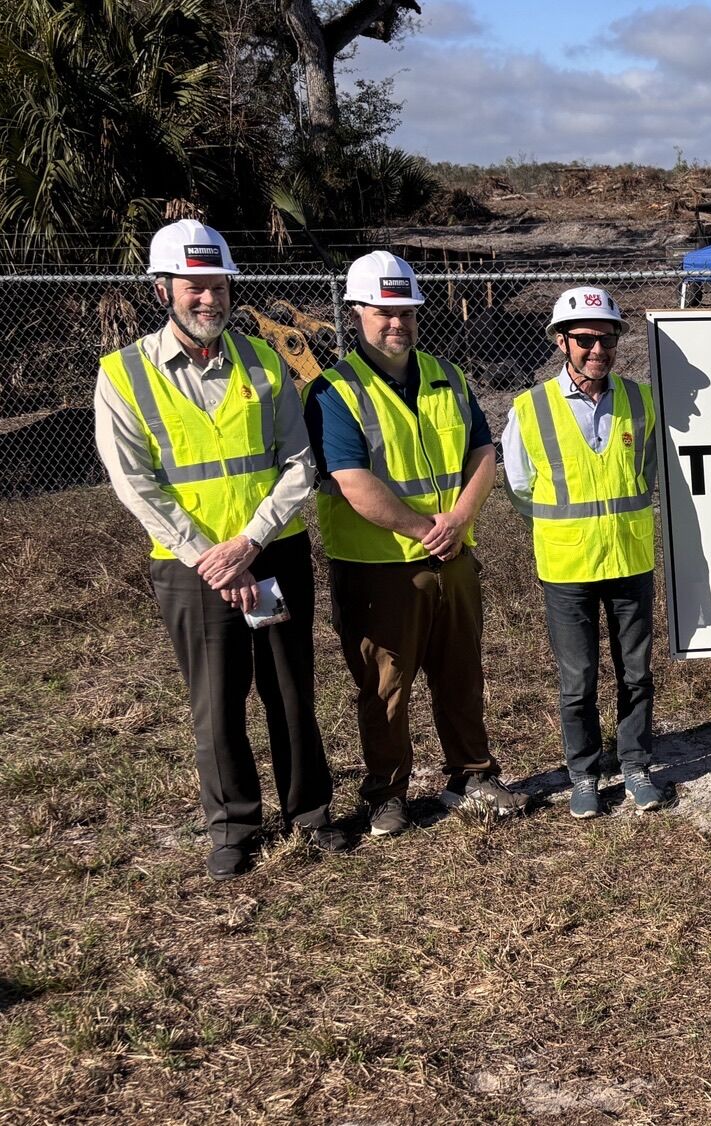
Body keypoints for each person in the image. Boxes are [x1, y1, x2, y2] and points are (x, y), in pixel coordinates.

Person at [94, 220, 350, 880]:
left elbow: (299, 462)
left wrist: (249, 542)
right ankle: (234, 824)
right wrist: (209, 556)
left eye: (217, 285)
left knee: (289, 687)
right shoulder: (123, 375)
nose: (208, 299)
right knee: (217, 697)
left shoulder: (266, 362)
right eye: (193, 287)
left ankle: (309, 813)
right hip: (192, 571)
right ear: (162, 290)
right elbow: (135, 482)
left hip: (271, 557)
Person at [305, 250, 527, 835]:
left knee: (460, 671)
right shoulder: (335, 391)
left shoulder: (446, 377)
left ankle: (471, 774)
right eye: (381, 310)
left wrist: (458, 518)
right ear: (356, 312)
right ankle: (385, 792)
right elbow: (353, 482)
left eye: (404, 308)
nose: (395, 320)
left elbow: (483, 452)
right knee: (385, 685)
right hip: (377, 565)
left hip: (452, 555)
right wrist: (426, 528)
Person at [502, 287, 667, 819]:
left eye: (608, 339)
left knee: (636, 673)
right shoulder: (529, 410)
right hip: (567, 567)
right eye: (586, 339)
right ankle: (585, 774)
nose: (598, 349)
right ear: (561, 342)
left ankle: (637, 765)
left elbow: (648, 474)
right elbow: (520, 487)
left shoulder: (641, 401)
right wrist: (570, 530)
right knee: (577, 680)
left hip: (629, 561)